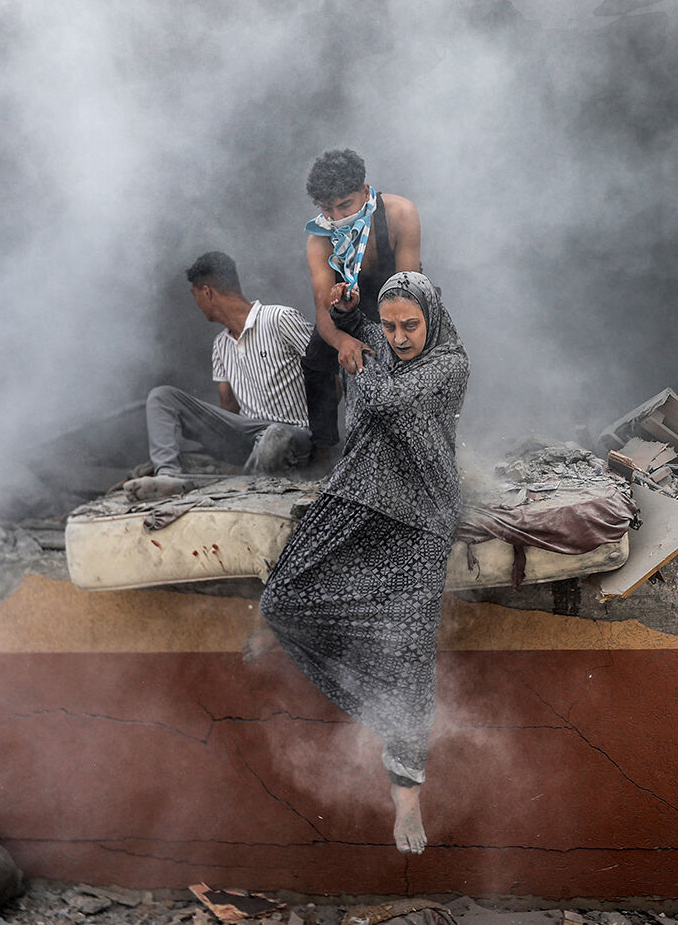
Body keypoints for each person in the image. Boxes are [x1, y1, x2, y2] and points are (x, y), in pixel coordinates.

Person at [247, 270, 468, 855]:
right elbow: (352, 326)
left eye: (410, 325)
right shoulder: (382, 337)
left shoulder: (450, 363)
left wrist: (357, 354)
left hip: (420, 511)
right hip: (360, 491)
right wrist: (346, 316)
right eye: (391, 325)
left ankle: (407, 803)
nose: (398, 337)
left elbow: (388, 399)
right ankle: (346, 681)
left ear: (432, 316)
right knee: (281, 600)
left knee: (410, 653)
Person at [125, 251, 314, 500]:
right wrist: (203, 438)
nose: (197, 305)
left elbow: (329, 372)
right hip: (248, 434)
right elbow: (228, 408)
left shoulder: (279, 318)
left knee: (274, 437)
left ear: (207, 292)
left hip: (293, 434)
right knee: (162, 397)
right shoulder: (221, 345)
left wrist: (325, 440)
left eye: (195, 296)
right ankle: (168, 475)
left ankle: (244, 488)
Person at [301, 148, 422, 453]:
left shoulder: (400, 213)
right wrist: (342, 341)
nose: (338, 218)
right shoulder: (319, 240)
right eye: (328, 210)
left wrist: (391, 338)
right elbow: (322, 312)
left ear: (364, 191)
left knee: (410, 356)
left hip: (402, 296)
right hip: (344, 307)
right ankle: (324, 449)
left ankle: (415, 443)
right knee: (316, 362)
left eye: (345, 206)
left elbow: (409, 287)